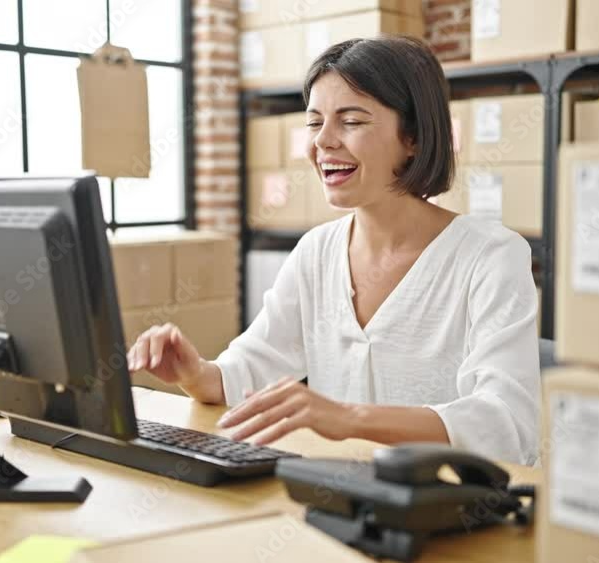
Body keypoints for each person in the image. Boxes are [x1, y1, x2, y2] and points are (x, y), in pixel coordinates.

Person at [126, 36, 540, 465]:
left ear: (413, 136)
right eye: (314, 122)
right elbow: (248, 369)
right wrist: (195, 374)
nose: (323, 141)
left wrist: (349, 418)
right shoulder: (316, 252)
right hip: (339, 494)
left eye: (351, 121)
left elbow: (508, 424)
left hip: (452, 499)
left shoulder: (491, 256)